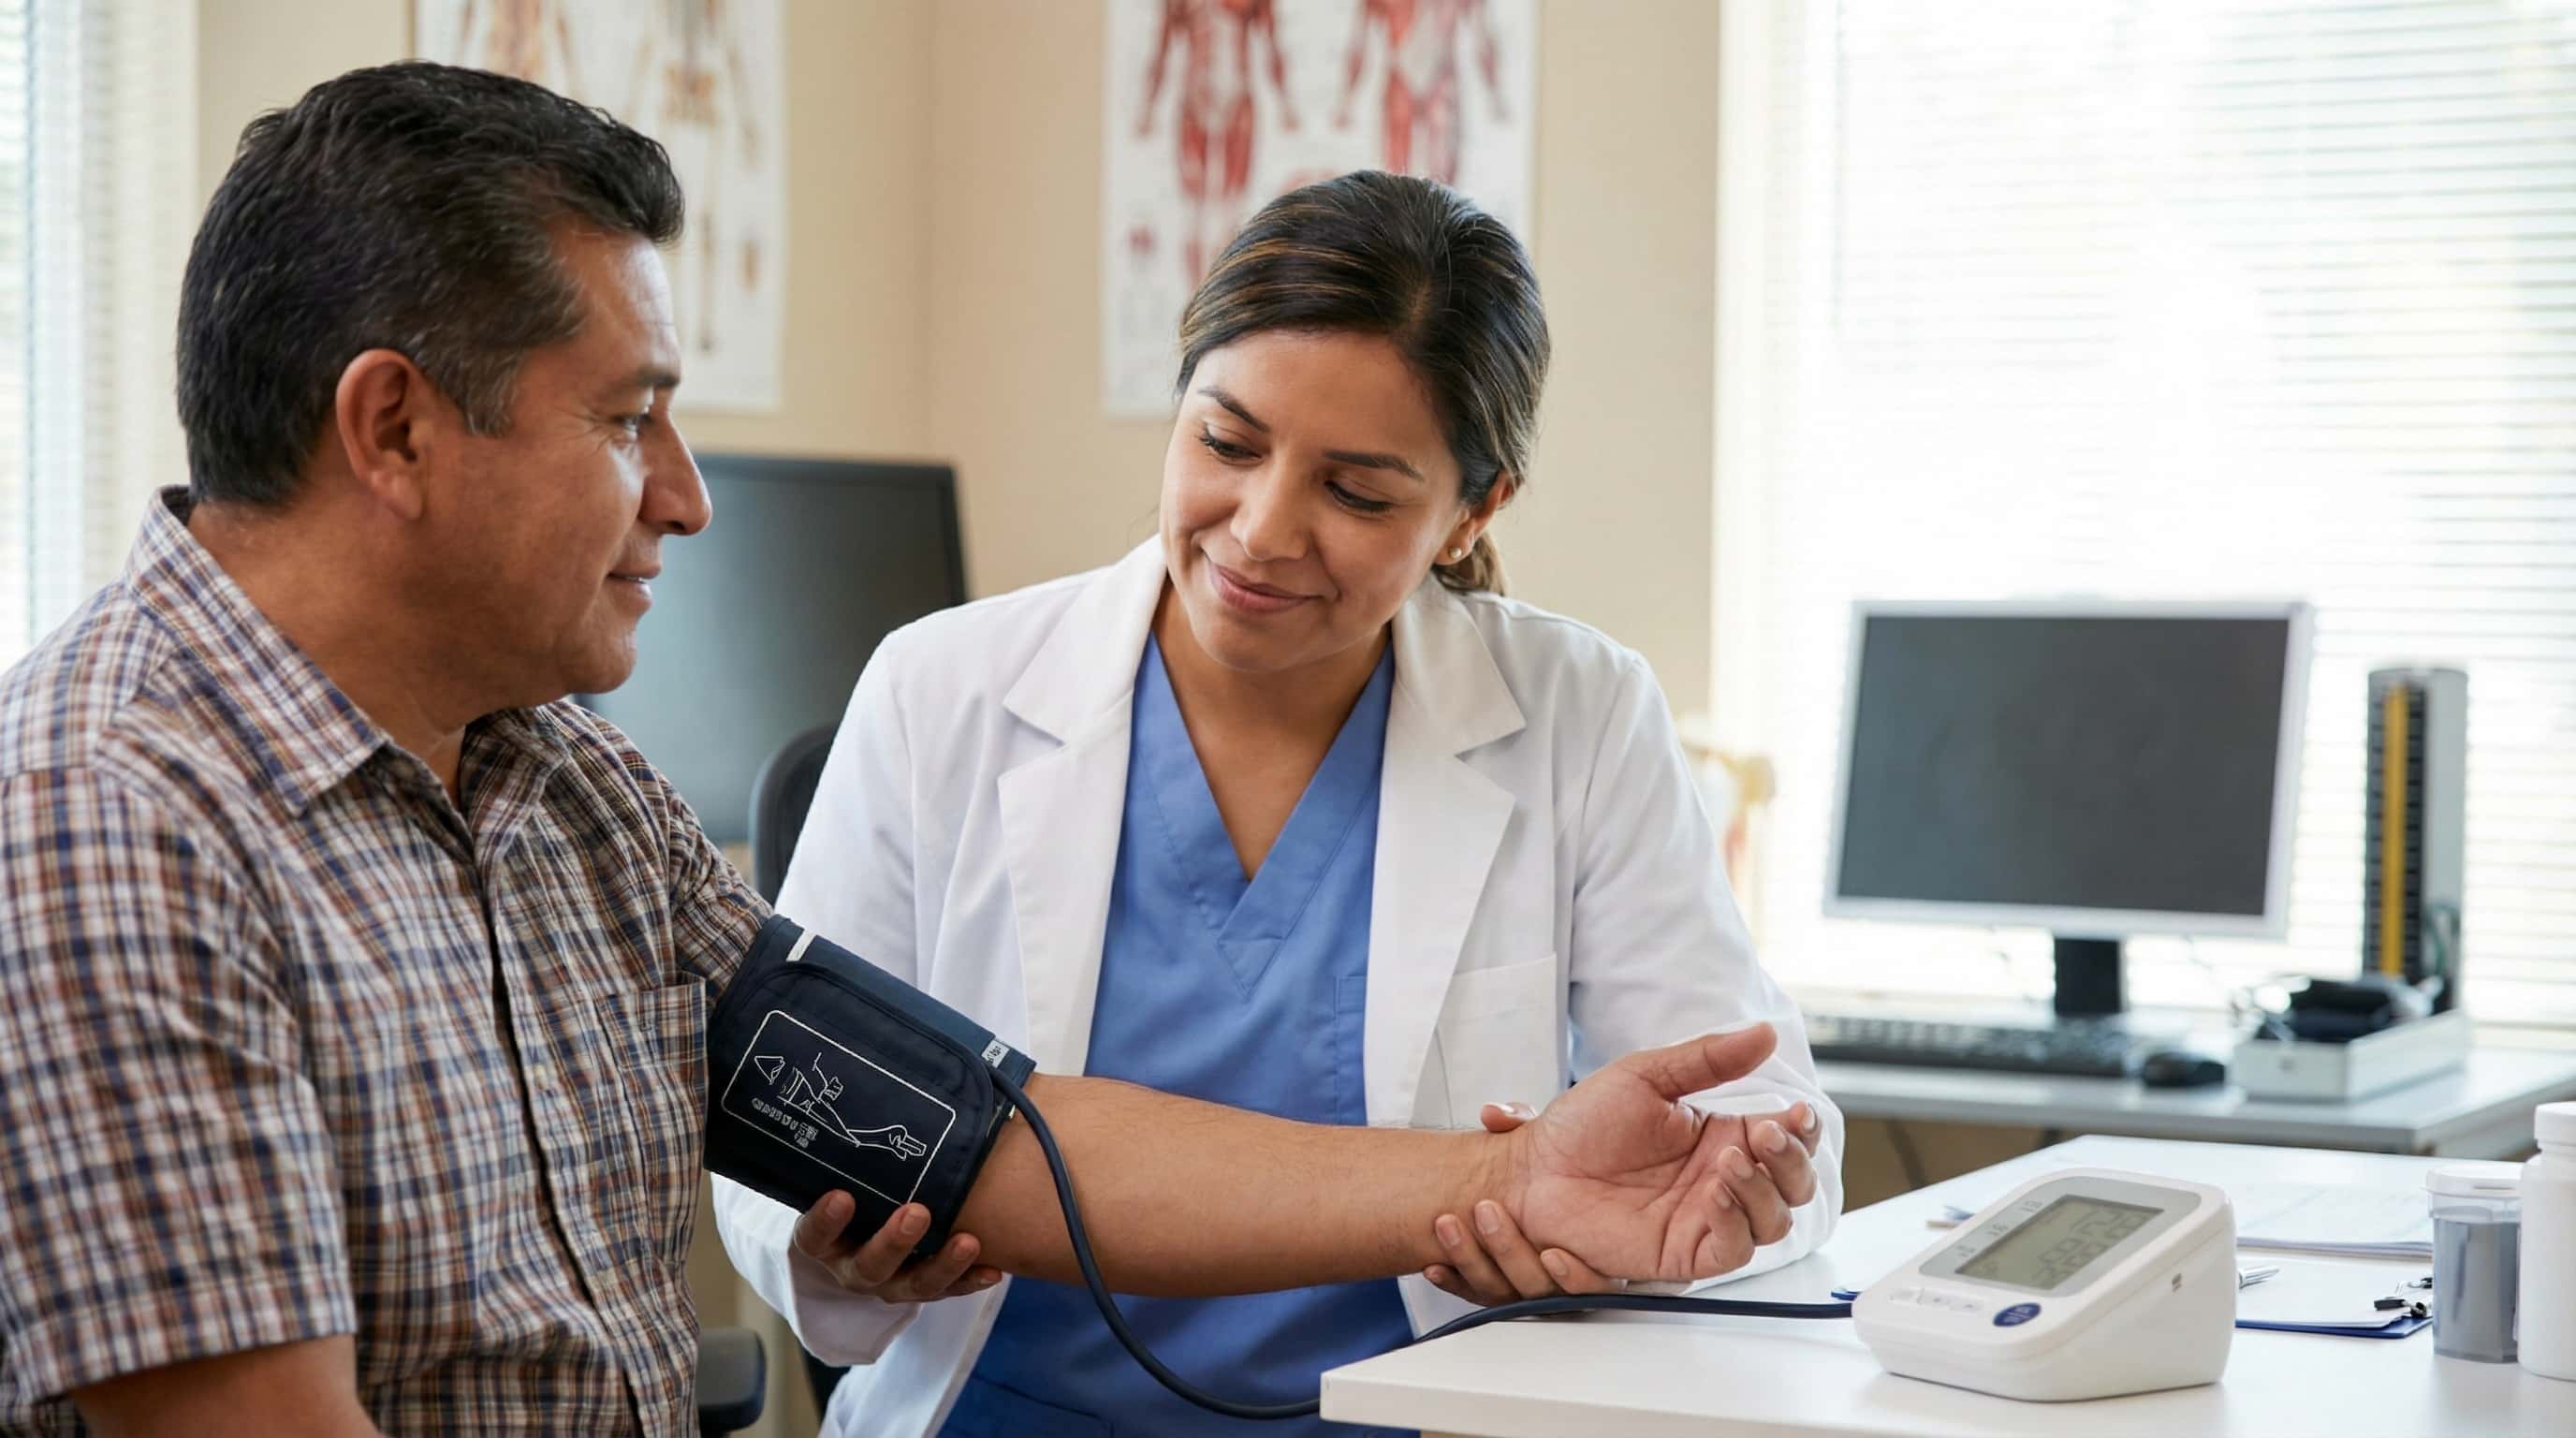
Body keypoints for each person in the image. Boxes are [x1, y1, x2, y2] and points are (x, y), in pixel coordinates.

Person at [0, 65, 1815, 1438]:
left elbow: (985, 1136)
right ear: (393, 428)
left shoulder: (554, 782)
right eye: (630, 420)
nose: (687, 499)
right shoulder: (114, 819)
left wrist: (1503, 1181)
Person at [714, 170, 1842, 1438]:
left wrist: (1687, 1217)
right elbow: (776, 1131)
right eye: (1227, 442)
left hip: (1408, 1418)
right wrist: (832, 1259)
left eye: (1357, 493)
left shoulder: (1579, 712)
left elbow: (1757, 1128)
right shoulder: (945, 689)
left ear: (1473, 512)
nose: (1260, 531)